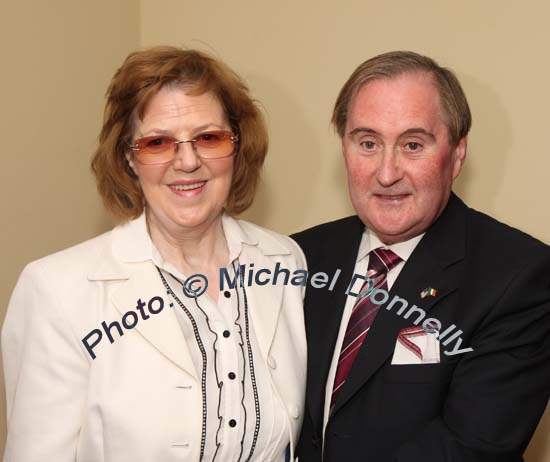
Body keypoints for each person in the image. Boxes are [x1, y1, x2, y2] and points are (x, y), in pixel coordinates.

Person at [2, 46, 306, 462]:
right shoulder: (56, 291)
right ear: (129, 158)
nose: (187, 161)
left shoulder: (285, 263)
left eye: (208, 137)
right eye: (158, 142)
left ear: (237, 146)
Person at [292, 51, 550, 462]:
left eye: (413, 144)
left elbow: (471, 447)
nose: (387, 172)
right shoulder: (298, 257)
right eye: (368, 143)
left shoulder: (520, 276)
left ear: (457, 154)